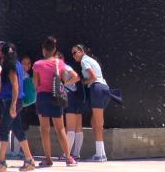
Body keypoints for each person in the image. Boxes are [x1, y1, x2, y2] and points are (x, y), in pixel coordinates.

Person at [0, 43, 36, 171]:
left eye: (1, 52)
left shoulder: (10, 66)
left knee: (3, 130)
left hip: (12, 101)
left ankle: (2, 162)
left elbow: (15, 86)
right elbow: (0, 72)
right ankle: (29, 160)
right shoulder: (16, 64)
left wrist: (13, 105)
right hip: (14, 101)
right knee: (17, 130)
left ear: (4, 54)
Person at [33, 37, 76, 167]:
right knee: (60, 128)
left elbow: (36, 83)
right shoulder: (60, 63)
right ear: (54, 50)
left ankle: (48, 159)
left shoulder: (37, 64)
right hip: (56, 97)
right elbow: (62, 81)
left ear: (43, 49)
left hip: (42, 97)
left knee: (44, 129)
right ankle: (69, 158)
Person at [72, 44, 111, 161]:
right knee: (95, 122)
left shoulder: (84, 61)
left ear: (81, 51)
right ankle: (102, 154)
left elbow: (93, 77)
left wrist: (85, 82)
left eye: (75, 53)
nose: (73, 56)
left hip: (97, 88)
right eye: (72, 54)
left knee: (98, 125)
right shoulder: (91, 60)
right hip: (104, 88)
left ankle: (99, 155)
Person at [55, 52, 82, 160]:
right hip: (75, 96)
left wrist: (65, 83)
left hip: (70, 95)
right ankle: (76, 153)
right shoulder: (65, 67)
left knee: (71, 127)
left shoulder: (65, 67)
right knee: (78, 127)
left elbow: (76, 77)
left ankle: (68, 154)